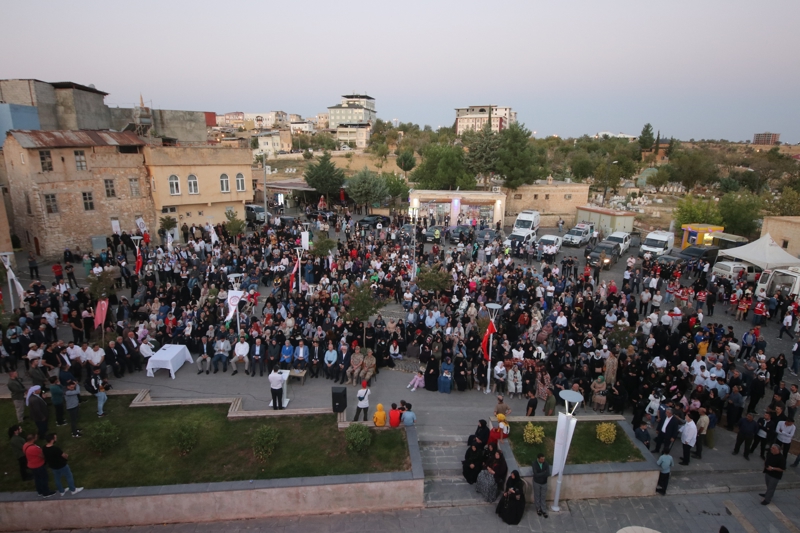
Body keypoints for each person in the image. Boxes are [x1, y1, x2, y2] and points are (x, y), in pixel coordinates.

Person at [23, 433, 54, 498]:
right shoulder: (34, 448)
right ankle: (46, 492)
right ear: (33, 439)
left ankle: (39, 491)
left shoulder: (25, 445)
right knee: (44, 478)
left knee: (37, 479)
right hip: (38, 465)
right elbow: (41, 455)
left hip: (31, 465)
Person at [531, 453, 550, 518]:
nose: (543, 460)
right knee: (537, 495)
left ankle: (544, 510)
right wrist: (543, 473)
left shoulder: (546, 464)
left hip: (544, 482)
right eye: (542, 459)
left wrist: (542, 474)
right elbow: (535, 474)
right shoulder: (534, 464)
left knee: (543, 496)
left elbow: (548, 473)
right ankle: (538, 508)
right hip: (537, 482)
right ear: (538, 459)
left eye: (544, 459)